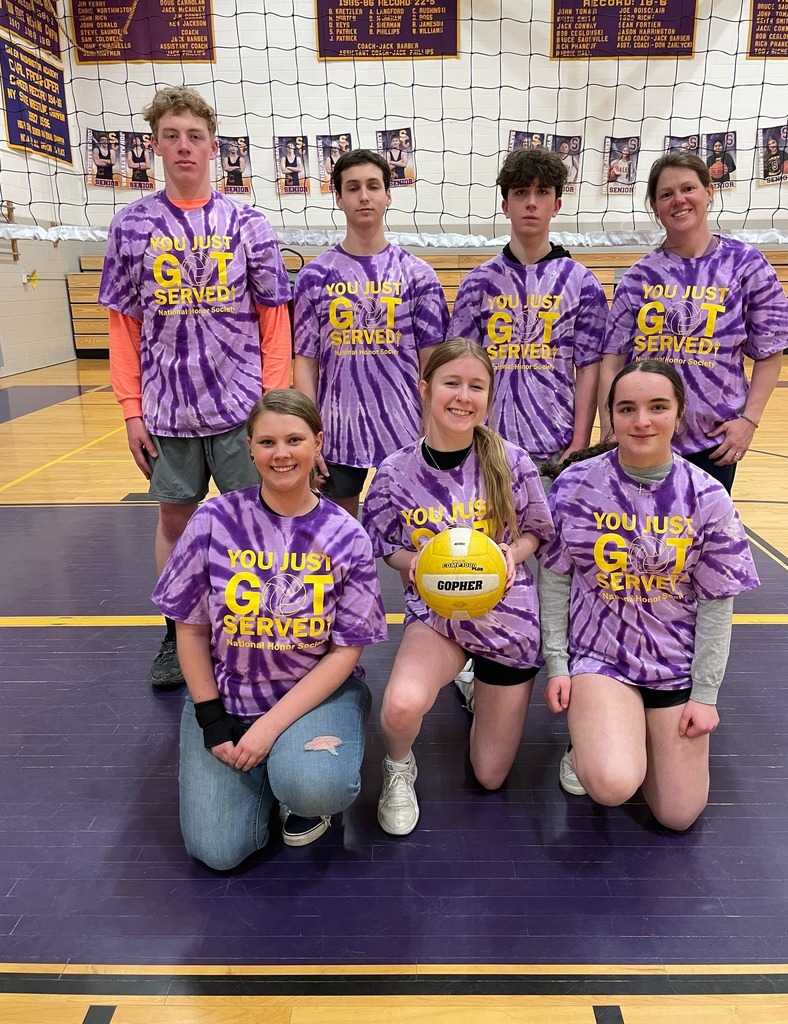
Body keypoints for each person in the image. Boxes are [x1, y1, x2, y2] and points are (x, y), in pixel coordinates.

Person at [98, 86, 293, 691]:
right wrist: (132, 411)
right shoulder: (130, 225)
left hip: (241, 407)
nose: (184, 146)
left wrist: (276, 404)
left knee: (254, 522)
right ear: (155, 145)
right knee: (177, 520)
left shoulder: (247, 223)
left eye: (195, 136)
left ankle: (255, 624)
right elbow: (124, 327)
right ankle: (174, 628)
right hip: (167, 407)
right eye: (171, 136)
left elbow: (274, 318)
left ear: (214, 146)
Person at [152, 390, 387, 869]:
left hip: (313, 695)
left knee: (316, 784)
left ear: (317, 444)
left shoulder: (346, 536)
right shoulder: (213, 520)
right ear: (250, 447)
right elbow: (189, 629)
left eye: (295, 439)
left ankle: (294, 779)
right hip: (230, 696)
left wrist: (268, 729)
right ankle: (266, 773)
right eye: (268, 442)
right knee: (217, 852)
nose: (282, 454)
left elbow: (346, 651)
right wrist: (212, 719)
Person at [539, 360, 759, 830]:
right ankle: (593, 740)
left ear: (678, 415)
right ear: (611, 416)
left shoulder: (709, 497)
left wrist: (705, 694)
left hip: (673, 663)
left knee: (679, 815)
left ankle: (633, 735)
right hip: (603, 660)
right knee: (613, 784)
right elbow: (555, 579)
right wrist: (558, 663)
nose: (642, 421)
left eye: (657, 407)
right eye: (627, 408)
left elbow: (718, 605)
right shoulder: (574, 486)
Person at [362, 338, 553, 836]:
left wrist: (513, 553)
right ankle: (399, 767)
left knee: (489, 777)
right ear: (425, 390)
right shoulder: (394, 473)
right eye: (452, 383)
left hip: (508, 624)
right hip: (439, 619)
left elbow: (537, 530)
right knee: (401, 703)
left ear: (489, 395)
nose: (463, 396)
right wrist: (416, 562)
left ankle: (477, 682)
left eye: (476, 386)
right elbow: (383, 543)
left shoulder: (511, 461)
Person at [599, 151, 788, 492]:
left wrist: (748, 421)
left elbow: (770, 351)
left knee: (701, 541)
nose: (678, 200)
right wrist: (609, 430)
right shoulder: (639, 277)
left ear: (708, 191)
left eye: (688, 188)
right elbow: (612, 360)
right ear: (655, 206)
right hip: (644, 437)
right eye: (666, 194)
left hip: (713, 445)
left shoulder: (746, 265)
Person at [293, 148, 449, 517]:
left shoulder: (418, 275)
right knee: (339, 535)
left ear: (388, 195)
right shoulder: (315, 277)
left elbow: (434, 364)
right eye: (353, 187)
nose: (364, 195)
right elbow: (306, 364)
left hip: (406, 428)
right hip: (336, 430)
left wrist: (433, 426)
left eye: (373, 186)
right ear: (339, 199)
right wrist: (308, 434)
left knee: (414, 533)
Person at [448, 148, 608, 485]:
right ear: (506, 206)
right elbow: (459, 367)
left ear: (557, 205)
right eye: (521, 193)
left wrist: (580, 442)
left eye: (542, 192)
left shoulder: (582, 283)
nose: (531, 203)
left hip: (557, 445)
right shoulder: (478, 283)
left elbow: (589, 367)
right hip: (488, 445)